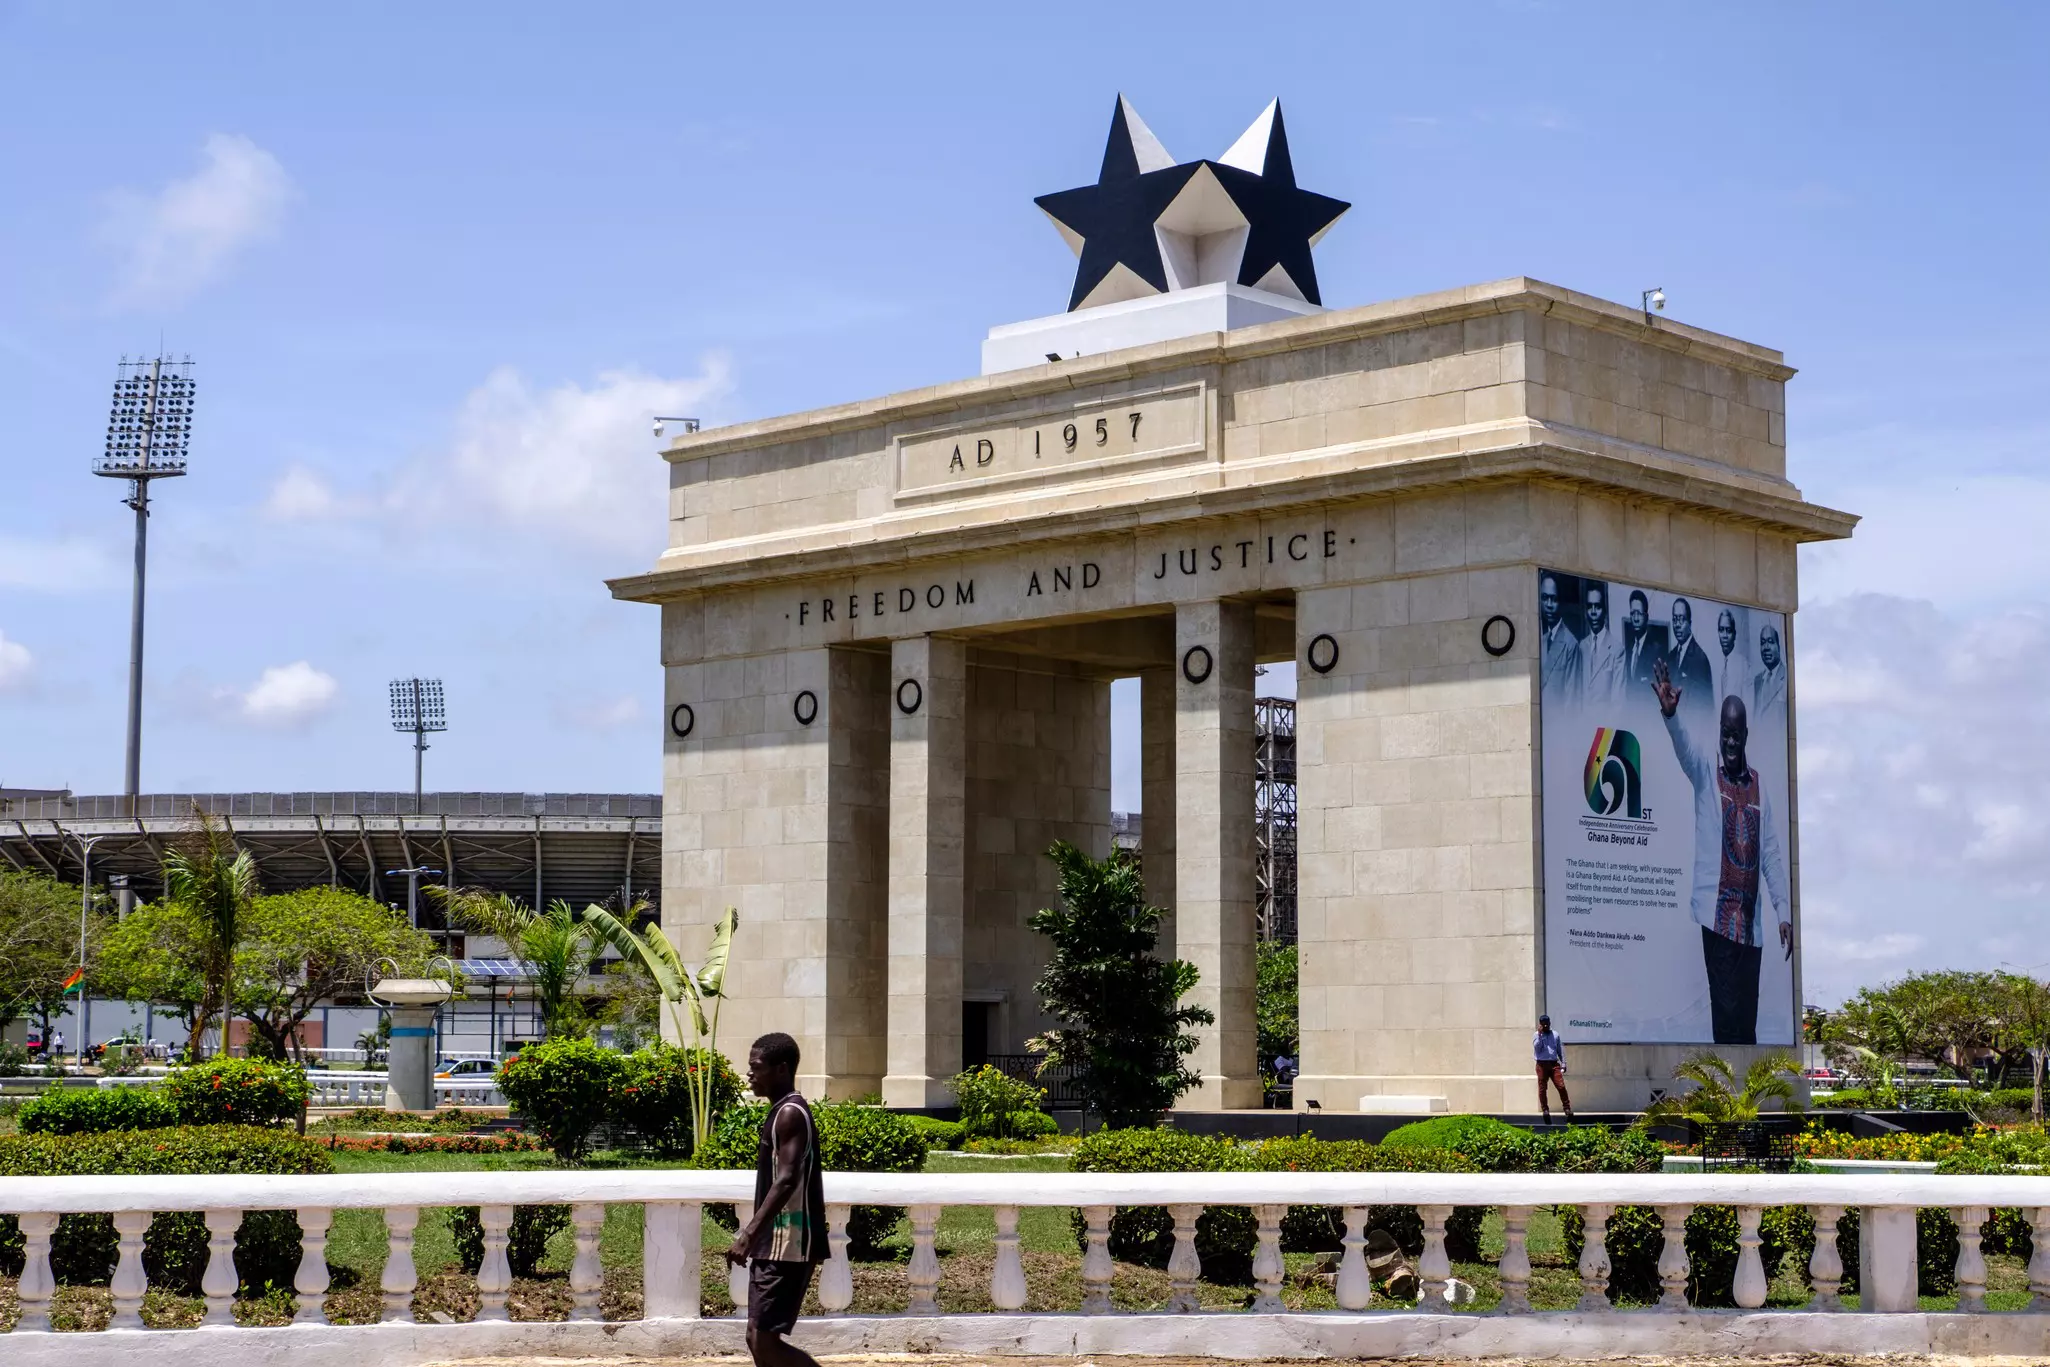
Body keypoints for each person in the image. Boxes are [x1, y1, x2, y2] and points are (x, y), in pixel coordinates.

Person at [1652, 657, 1792, 1045]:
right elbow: (1684, 750)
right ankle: (1728, 1096)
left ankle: (1746, 1100)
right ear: (1719, 733)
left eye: (1737, 735)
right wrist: (1671, 716)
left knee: (1746, 1021)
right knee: (1726, 1017)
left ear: (1746, 735)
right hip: (1716, 921)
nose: (1730, 743)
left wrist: (1783, 913)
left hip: (1751, 929)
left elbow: (1772, 856)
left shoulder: (1759, 786)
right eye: (1725, 734)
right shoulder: (1705, 773)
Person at [724, 1033, 828, 1367]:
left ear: (781, 1069)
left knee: (763, 1340)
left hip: (790, 1245)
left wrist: (748, 1234)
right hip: (776, 1244)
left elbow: (787, 1180)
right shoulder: (781, 1112)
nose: (750, 1074)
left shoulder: (790, 1114)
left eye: (756, 1067)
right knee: (758, 1337)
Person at [1665, 598, 1714, 728]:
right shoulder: (1670, 657)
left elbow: (1706, 710)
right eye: (1675, 619)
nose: (1677, 624)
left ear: (1690, 623)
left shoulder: (1700, 659)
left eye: (1681, 619)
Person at [1577, 581, 1626, 708]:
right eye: (1589, 606)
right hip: (1580, 726)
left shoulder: (1617, 649)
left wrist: (1606, 728)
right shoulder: (1581, 647)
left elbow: (1618, 703)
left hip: (1605, 726)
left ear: (1605, 611)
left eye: (1597, 607)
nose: (1593, 612)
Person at [1538, 574, 1581, 703]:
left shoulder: (1571, 644)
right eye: (1545, 598)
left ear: (1561, 602)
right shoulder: (1541, 640)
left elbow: (1571, 699)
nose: (1549, 605)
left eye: (1554, 599)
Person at [1622, 590, 1668, 692]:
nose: (1636, 618)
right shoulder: (1628, 649)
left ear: (1646, 617)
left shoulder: (1656, 650)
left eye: (1639, 613)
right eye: (1633, 613)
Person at [1709, 608, 1750, 714]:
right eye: (1721, 630)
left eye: (1729, 630)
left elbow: (1748, 706)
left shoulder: (1743, 665)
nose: (1725, 636)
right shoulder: (1713, 664)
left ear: (1734, 634)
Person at [1533, 1015, 1572, 1123]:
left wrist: (1563, 1063)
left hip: (1554, 1064)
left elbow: (1560, 1049)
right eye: (1543, 1024)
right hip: (1541, 1065)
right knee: (1542, 1088)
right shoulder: (1536, 1035)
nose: (1545, 1026)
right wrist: (1540, 1035)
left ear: (1550, 1023)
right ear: (1540, 1024)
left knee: (1561, 1086)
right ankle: (1545, 1110)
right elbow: (1537, 1048)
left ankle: (1567, 1109)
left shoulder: (1555, 1034)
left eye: (1547, 1024)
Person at [1751, 624, 1787, 732]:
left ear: (1779, 647)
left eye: (1771, 642)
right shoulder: (1757, 680)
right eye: (1763, 643)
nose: (1766, 647)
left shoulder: (1786, 677)